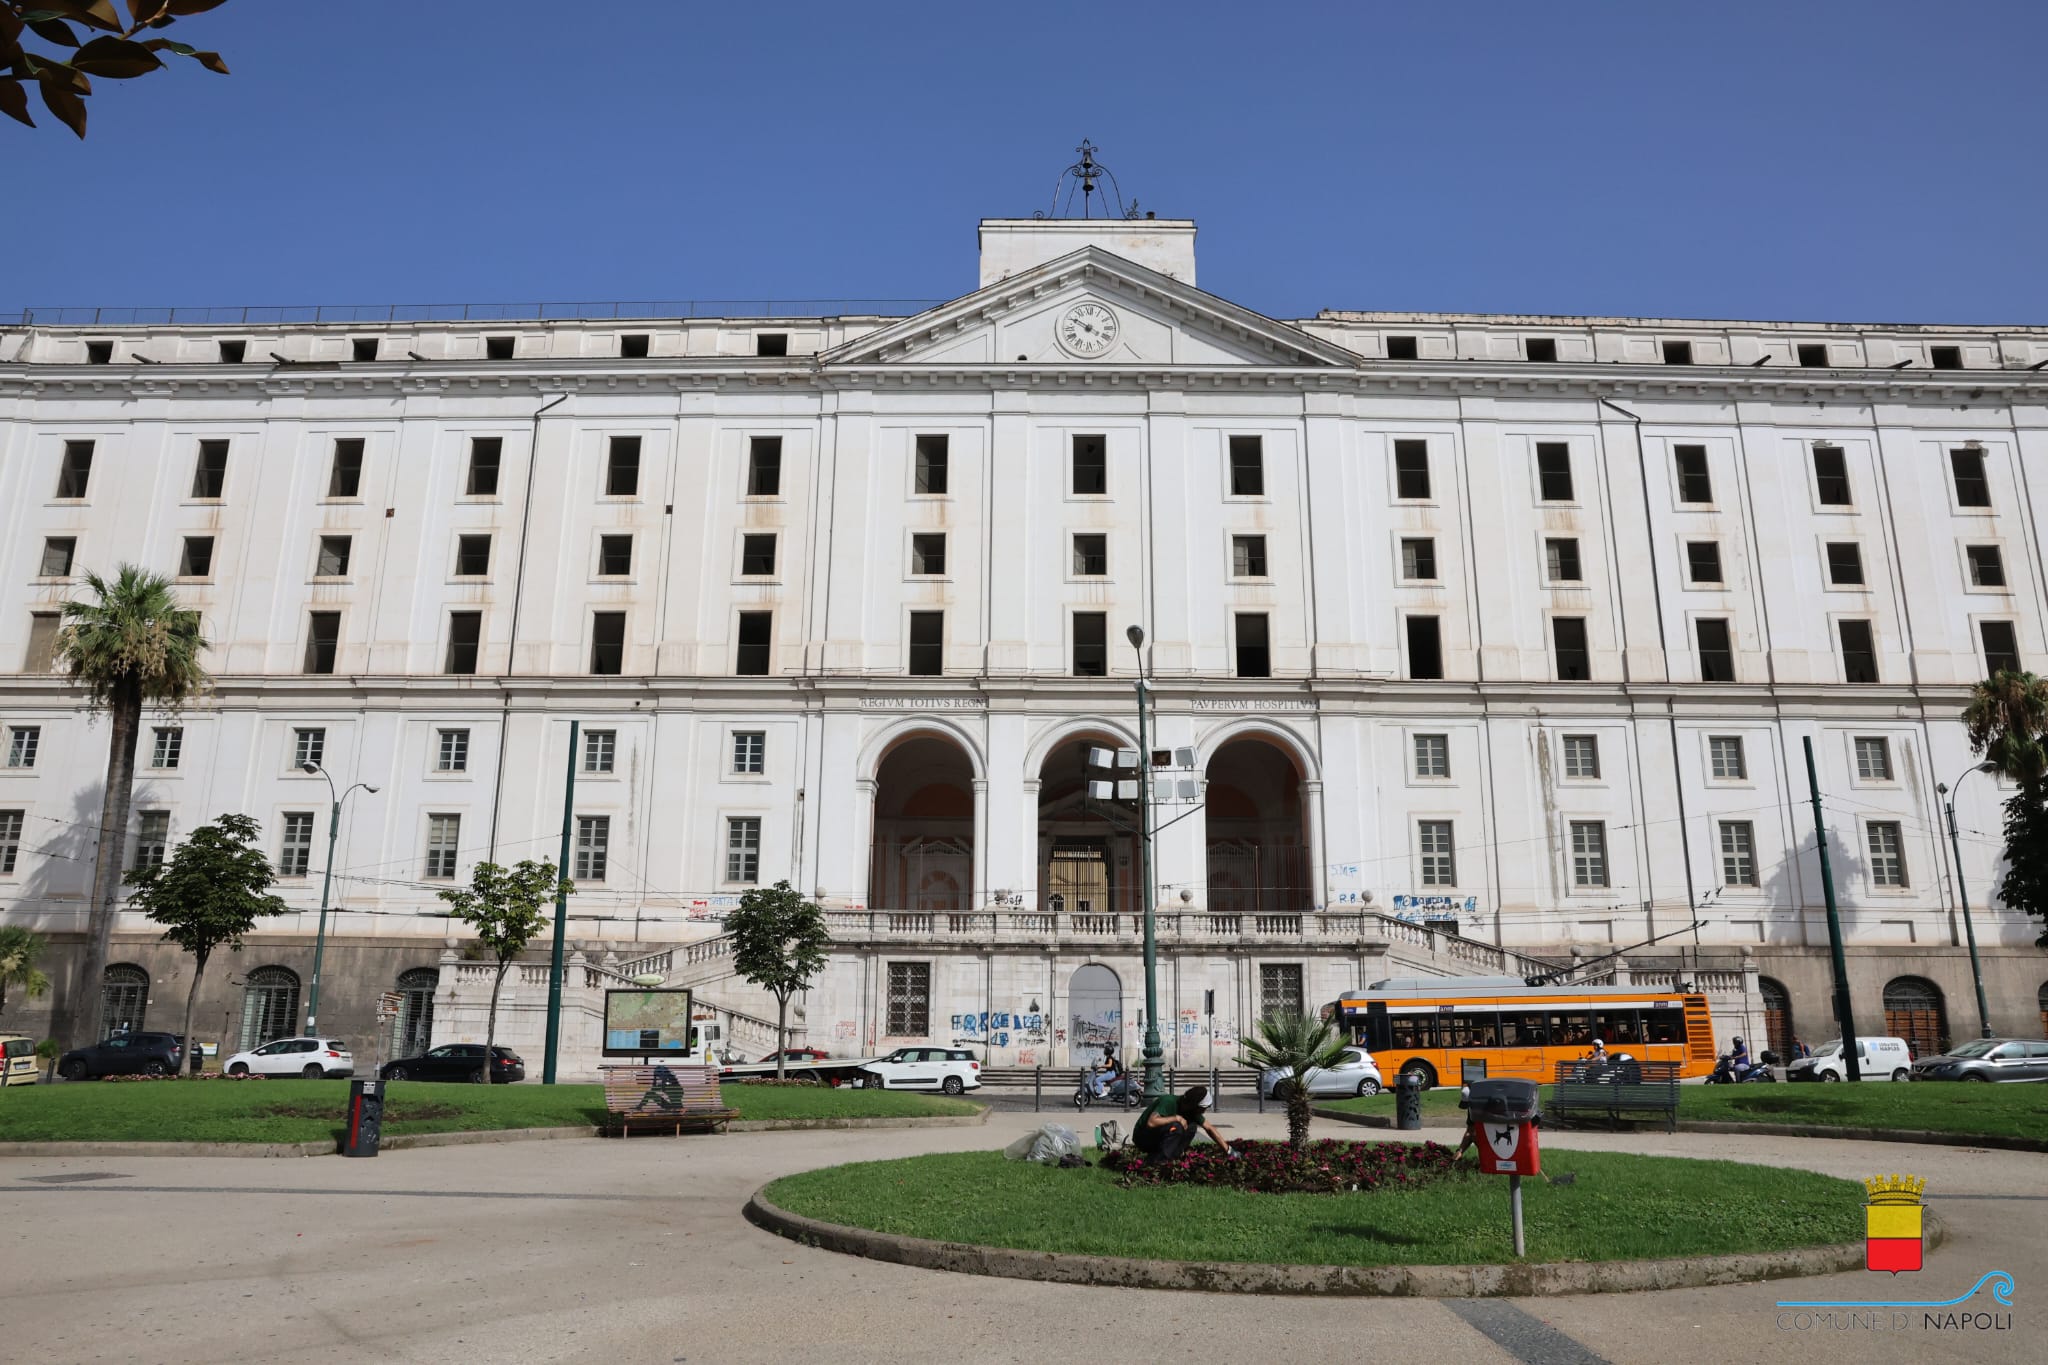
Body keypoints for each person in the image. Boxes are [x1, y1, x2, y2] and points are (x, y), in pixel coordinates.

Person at [1134, 1085, 1229, 1162]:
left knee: (1191, 1127)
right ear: (1193, 1104)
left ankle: (1173, 1157)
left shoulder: (1192, 1112)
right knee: (1177, 1127)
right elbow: (1151, 1122)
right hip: (1143, 1138)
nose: (1204, 1111)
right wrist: (1175, 1118)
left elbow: (1209, 1128)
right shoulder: (1168, 1101)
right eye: (1203, 1108)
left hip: (1157, 1138)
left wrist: (1228, 1150)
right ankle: (1159, 1161)